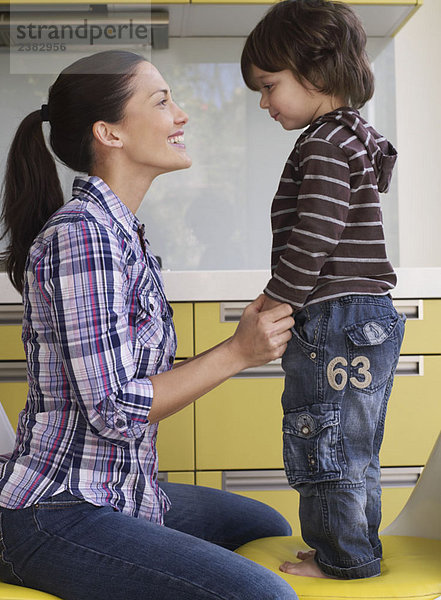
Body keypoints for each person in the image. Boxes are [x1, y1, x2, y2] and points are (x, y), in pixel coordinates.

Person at [0, 50, 298, 600]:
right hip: (58, 510)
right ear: (109, 133)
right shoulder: (84, 237)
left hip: (122, 489)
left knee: (264, 527)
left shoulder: (121, 234)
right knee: (264, 596)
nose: (181, 115)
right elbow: (114, 408)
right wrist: (236, 352)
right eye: (162, 100)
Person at [241, 0, 406, 580]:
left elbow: (314, 232)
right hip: (366, 315)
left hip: (335, 317)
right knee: (352, 442)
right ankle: (353, 548)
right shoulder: (355, 136)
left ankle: (344, 559)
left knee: (324, 438)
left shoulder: (322, 143)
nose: (264, 102)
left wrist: (277, 297)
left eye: (269, 85)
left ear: (316, 70)